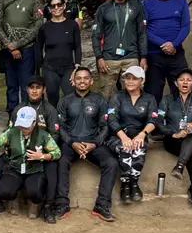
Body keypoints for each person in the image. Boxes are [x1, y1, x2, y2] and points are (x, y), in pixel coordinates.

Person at [56, 67, 119, 222]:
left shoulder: (100, 101)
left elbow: (105, 127)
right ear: (73, 81)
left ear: (91, 81)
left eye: (86, 78)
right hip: (71, 142)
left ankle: (102, 205)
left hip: (92, 142)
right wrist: (72, 143)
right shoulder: (65, 101)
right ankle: (62, 204)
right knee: (61, 161)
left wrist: (95, 144)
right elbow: (60, 127)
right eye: (79, 78)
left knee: (111, 162)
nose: (82, 81)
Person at [0, 106, 61, 220]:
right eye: (21, 125)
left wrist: (43, 156)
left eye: (26, 126)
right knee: (5, 191)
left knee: (36, 193)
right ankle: (13, 199)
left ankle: (35, 204)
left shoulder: (43, 135)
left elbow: (57, 152)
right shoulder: (12, 132)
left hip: (34, 170)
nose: (23, 128)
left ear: (34, 123)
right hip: (15, 168)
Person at [153, 69, 192, 205]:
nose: (185, 82)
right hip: (173, 140)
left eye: (189, 80)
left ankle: (180, 166)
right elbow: (158, 121)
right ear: (176, 83)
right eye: (181, 79)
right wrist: (173, 133)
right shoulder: (167, 100)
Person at [106, 66, 158, 204]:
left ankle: (134, 183)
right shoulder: (117, 96)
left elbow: (153, 120)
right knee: (126, 148)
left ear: (142, 81)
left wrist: (142, 134)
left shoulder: (149, 98)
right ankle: (125, 184)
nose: (130, 81)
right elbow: (111, 119)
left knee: (139, 148)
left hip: (139, 134)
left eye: (134, 78)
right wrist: (123, 137)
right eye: (127, 78)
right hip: (117, 135)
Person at [13, 76, 62, 222]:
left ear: (44, 90)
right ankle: (8, 198)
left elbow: (55, 134)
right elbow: (11, 131)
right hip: (22, 151)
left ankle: (48, 206)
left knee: (53, 167)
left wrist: (43, 153)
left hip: (42, 152)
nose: (34, 91)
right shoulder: (19, 108)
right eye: (31, 88)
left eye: (38, 87)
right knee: (3, 161)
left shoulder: (50, 110)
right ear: (27, 89)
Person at [92, 0, 148, 100]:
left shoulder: (137, 6)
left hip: (131, 57)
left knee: (133, 95)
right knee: (105, 95)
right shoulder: (103, 9)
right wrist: (99, 57)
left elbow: (142, 33)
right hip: (109, 58)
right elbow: (96, 35)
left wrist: (143, 57)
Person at [0, 0, 42, 113]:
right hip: (8, 50)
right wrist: (9, 45)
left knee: (27, 83)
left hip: (27, 48)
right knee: (11, 85)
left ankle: (27, 113)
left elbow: (38, 24)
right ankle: (12, 114)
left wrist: (18, 44)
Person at [143, 0, 191, 101]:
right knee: (153, 92)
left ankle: (181, 113)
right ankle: (154, 114)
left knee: (182, 90)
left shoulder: (181, 2)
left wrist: (173, 44)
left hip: (176, 53)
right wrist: (163, 44)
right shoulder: (146, 4)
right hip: (154, 54)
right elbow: (143, 30)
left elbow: (185, 26)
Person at [36, 0, 82, 107]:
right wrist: (39, 67)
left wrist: (77, 66)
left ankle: (68, 118)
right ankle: (54, 118)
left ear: (64, 6)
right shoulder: (44, 27)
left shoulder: (72, 25)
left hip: (68, 68)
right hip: (50, 68)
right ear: (49, 9)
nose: (56, 8)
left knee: (70, 97)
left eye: (59, 5)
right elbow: (38, 48)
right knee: (52, 97)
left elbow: (77, 46)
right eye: (53, 6)